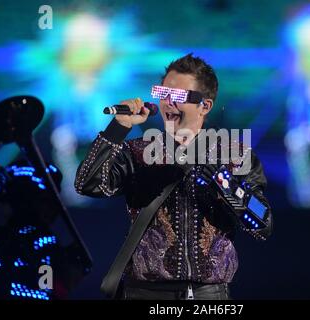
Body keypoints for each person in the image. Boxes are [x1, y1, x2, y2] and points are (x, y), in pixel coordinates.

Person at [74, 53, 273, 300]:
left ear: (205, 106)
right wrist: (119, 127)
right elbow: (87, 184)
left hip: (209, 296)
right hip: (145, 293)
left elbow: (262, 225)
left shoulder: (235, 154)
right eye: (163, 93)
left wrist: (225, 183)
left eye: (178, 96)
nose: (168, 103)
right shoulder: (138, 152)